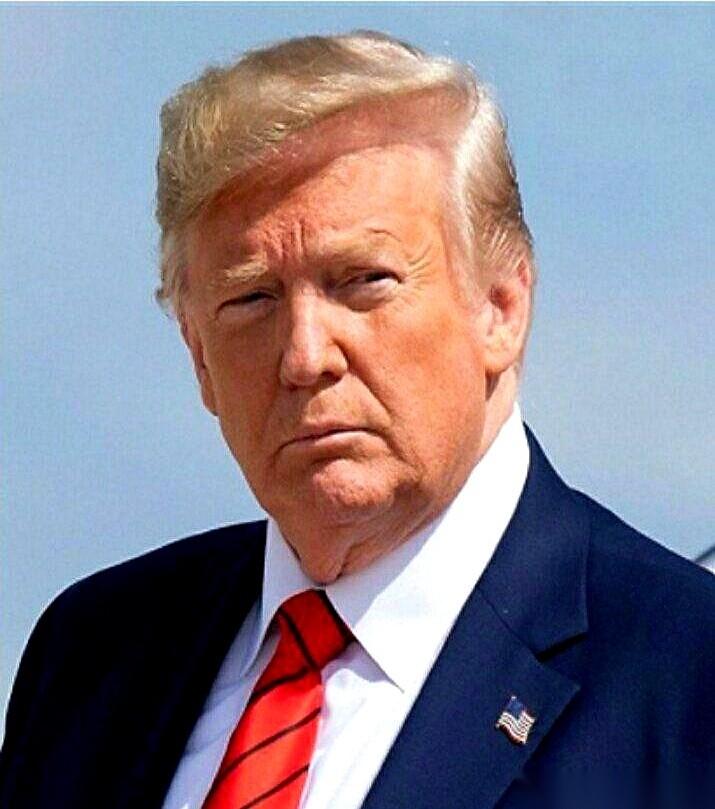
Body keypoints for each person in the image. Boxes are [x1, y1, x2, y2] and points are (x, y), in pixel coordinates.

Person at [1, 30, 713, 809]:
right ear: (199, 356)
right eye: (251, 299)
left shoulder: (683, 677)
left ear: (501, 308)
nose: (305, 356)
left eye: (363, 281)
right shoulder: (93, 660)